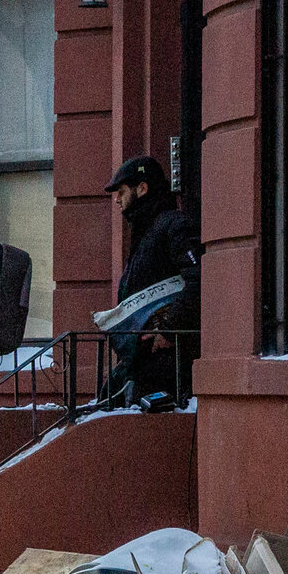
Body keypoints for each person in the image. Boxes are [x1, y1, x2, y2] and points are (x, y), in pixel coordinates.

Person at [106, 155, 200, 401]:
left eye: (122, 192)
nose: (117, 200)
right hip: (143, 358)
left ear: (142, 188)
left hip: (168, 360)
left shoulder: (174, 225)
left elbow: (198, 280)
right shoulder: (145, 232)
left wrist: (167, 332)